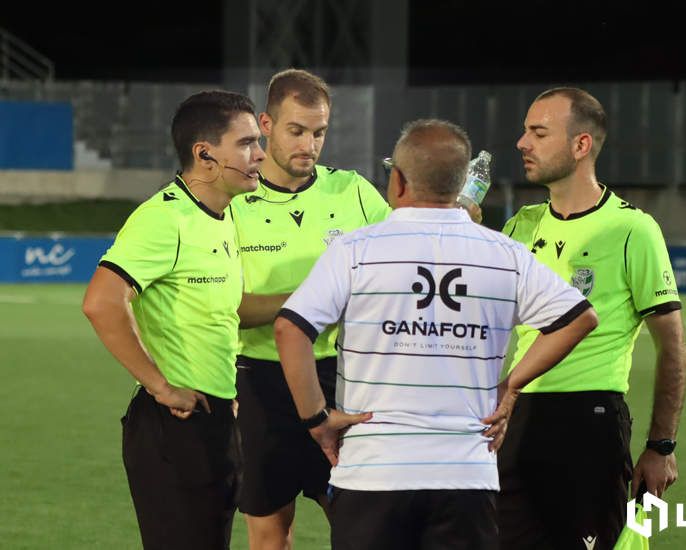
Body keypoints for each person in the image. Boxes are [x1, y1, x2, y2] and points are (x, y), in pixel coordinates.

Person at [272, 119, 599, 550]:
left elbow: (289, 327)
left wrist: (317, 419)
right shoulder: (504, 254)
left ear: (398, 180)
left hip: (374, 471)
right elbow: (580, 317)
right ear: (462, 182)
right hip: (466, 474)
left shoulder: (355, 250)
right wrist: (511, 387)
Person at [498, 87, 686, 549]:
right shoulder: (520, 226)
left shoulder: (632, 230)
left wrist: (661, 446)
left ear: (581, 145)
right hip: (514, 417)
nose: (522, 143)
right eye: (525, 131)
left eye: (538, 133)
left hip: (589, 421)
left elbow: (673, 347)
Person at [81, 90, 265, 549]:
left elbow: (226, 312)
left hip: (216, 416)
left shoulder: (223, 217)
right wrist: (160, 385)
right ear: (205, 155)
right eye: (246, 143)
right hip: (175, 422)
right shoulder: (165, 218)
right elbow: (101, 302)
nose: (260, 154)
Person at [229, 68, 390, 549]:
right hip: (259, 382)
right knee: (270, 535)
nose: (309, 144)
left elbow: (400, 257)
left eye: (319, 132)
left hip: (340, 377)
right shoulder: (234, 201)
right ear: (266, 125)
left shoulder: (354, 191)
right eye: (296, 130)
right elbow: (229, 307)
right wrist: (317, 301)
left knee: (365, 526)